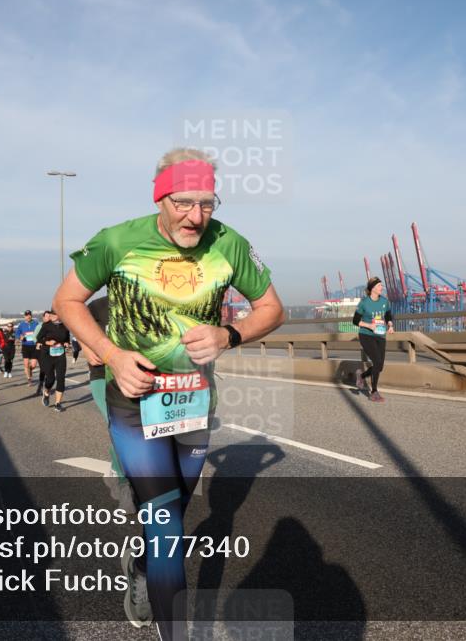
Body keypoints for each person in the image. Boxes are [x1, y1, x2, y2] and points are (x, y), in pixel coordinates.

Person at [53, 147, 284, 638]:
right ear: (159, 197)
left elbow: (271, 308)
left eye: (207, 204)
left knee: (174, 511)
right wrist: (111, 355)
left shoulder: (229, 244)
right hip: (133, 402)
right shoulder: (117, 241)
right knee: (165, 523)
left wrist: (229, 334)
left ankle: (141, 565)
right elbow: (67, 299)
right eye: (183, 203)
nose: (195, 217)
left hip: (193, 400)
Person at [81, 295, 135, 512]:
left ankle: (115, 469)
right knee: (120, 429)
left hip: (134, 376)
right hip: (102, 376)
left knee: (136, 432)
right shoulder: (98, 306)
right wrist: (86, 347)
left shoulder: (146, 302)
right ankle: (124, 485)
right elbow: (77, 325)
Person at [352, 277, 393, 402]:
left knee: (379, 366)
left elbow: (388, 314)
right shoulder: (364, 303)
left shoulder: (385, 301)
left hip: (380, 335)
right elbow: (355, 321)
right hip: (366, 335)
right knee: (377, 361)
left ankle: (361, 376)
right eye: (379, 285)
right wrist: (369, 326)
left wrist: (390, 325)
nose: (382, 287)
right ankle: (374, 392)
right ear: (373, 288)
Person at [36, 310, 71, 412]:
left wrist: (66, 343)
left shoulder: (65, 325)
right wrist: (47, 342)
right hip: (47, 354)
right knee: (51, 378)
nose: (51, 316)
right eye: (50, 315)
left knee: (61, 378)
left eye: (53, 315)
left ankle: (57, 403)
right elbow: (39, 338)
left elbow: (67, 338)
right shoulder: (46, 325)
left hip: (60, 354)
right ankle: (46, 392)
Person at [14, 310, 41, 385]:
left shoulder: (36, 323)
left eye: (29, 315)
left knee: (33, 365)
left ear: (31, 316)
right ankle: (29, 379)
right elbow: (17, 333)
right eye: (26, 315)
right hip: (25, 346)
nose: (28, 316)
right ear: (24, 316)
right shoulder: (21, 324)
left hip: (34, 346)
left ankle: (30, 370)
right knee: (26, 364)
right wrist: (20, 337)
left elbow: (40, 332)